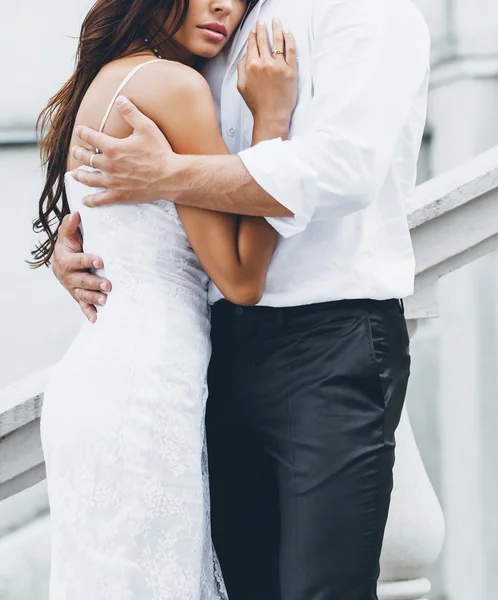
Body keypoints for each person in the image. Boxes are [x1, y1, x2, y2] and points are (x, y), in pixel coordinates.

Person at [52, 0, 431, 599]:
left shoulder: (365, 11)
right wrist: (81, 243)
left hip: (328, 345)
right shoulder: (206, 41)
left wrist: (168, 176)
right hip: (212, 353)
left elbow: (346, 169)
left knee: (320, 587)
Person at [35, 1, 298, 598]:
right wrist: (273, 124)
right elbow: (239, 278)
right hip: (146, 388)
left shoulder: (107, 77)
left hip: (97, 375)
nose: (224, 7)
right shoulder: (174, 85)